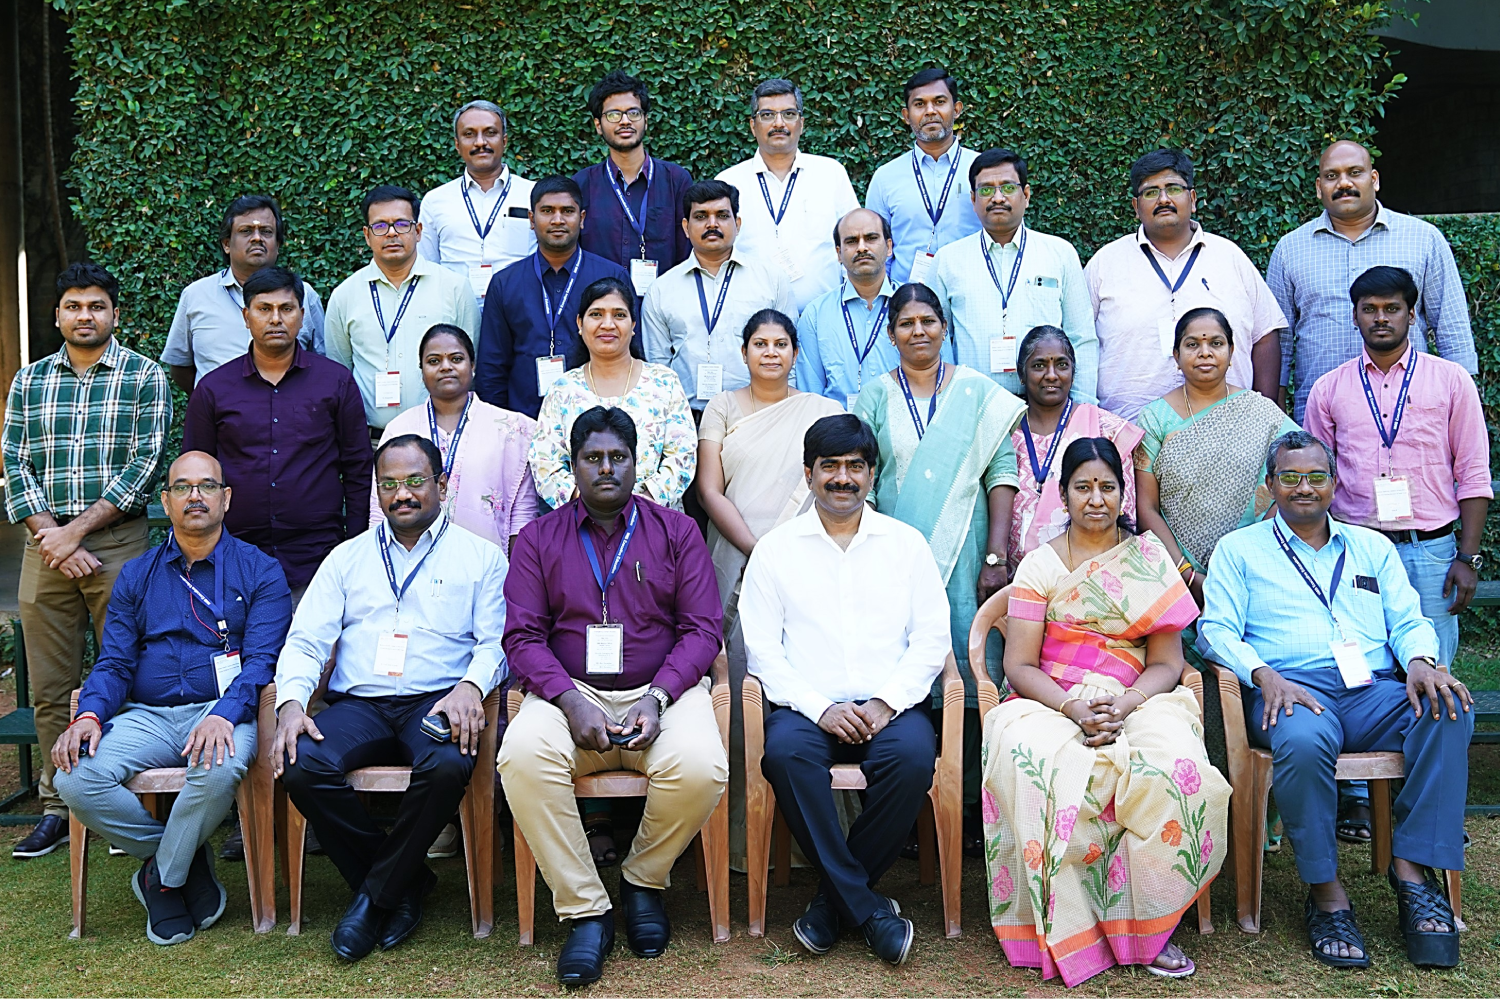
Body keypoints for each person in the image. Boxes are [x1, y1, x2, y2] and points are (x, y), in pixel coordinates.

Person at [1200, 431, 1472, 970]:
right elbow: (1215, 630)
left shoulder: (1372, 547)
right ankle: (1326, 893)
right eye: (1290, 477)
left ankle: (1412, 870)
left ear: (1335, 482)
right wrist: (1262, 674)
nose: (1304, 488)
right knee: (1302, 743)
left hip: (1372, 690)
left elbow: (1408, 620)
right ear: (1270, 485)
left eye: (1316, 476)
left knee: (1448, 710)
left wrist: (1421, 660)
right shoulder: (1239, 550)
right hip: (1292, 691)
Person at [982, 436, 1228, 985]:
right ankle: (1076, 926)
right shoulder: (1040, 564)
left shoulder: (1149, 561)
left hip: (1139, 697)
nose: (1096, 499)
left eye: (1107, 487)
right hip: (1052, 699)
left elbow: (1167, 662)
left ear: (1123, 494)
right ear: (1063, 494)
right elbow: (1019, 665)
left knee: (1180, 773)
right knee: (1038, 762)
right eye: (1083, 487)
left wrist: (1127, 703)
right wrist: (1073, 707)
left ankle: (1148, 926)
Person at [499, 406, 727, 987]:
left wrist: (660, 695)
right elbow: (522, 637)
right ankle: (586, 910)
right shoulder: (538, 539)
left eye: (617, 457)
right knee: (521, 757)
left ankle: (642, 880)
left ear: (636, 463)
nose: (606, 468)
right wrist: (567, 699)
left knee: (701, 765)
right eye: (593, 458)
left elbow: (703, 629)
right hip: (570, 694)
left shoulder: (677, 531)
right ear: (572, 465)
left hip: (663, 690)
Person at [271, 435, 508, 962]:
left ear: (441, 485)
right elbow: (306, 640)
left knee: (448, 763)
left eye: (415, 481)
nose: (402, 494)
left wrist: (471, 687)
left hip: (438, 701)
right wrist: (290, 704)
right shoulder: (347, 558)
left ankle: (374, 899)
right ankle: (404, 881)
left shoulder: (481, 558)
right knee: (301, 762)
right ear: (376, 492)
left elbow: (495, 643)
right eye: (390, 484)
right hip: (362, 705)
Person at [50, 452, 291, 945]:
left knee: (219, 767)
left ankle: (160, 879)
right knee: (74, 778)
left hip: (222, 711)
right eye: (183, 487)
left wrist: (225, 714)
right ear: (166, 501)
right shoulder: (137, 574)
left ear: (226, 498)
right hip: (147, 716)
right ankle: (181, 860)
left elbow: (262, 664)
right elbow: (114, 662)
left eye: (207, 486)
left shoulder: (261, 571)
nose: (195, 496)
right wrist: (89, 714)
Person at [740, 413, 950, 966]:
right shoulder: (776, 550)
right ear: (808, 473)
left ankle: (831, 906)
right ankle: (869, 910)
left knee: (912, 760)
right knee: (784, 755)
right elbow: (763, 651)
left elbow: (932, 639)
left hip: (890, 707)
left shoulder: (906, 545)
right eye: (829, 466)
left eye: (855, 466)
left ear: (872, 474)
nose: (842, 478)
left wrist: (884, 703)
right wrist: (821, 708)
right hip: (806, 709)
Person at [1302, 265, 1491, 844]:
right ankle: (1360, 800)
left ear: (1413, 314)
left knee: (1432, 669)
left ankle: (1427, 801)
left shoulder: (1450, 381)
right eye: (1370, 309)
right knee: (1361, 662)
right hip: (1354, 547)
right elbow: (1314, 476)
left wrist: (1467, 556)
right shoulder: (1330, 389)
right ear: (1355, 315)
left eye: (1392, 308)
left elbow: (1473, 472)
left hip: (1430, 548)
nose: (1380, 318)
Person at [4, 263, 171, 859]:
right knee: (52, 686)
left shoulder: (144, 376)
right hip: (44, 547)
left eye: (96, 306)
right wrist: (53, 537)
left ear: (115, 314)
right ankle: (58, 805)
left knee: (130, 672)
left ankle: (122, 795)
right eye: (73, 306)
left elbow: (146, 464)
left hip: (118, 545)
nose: (85, 315)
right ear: (57, 316)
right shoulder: (29, 380)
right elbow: (14, 462)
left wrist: (72, 535)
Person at [852, 283, 1023, 841]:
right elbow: (863, 480)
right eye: (906, 323)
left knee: (971, 675)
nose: (918, 331)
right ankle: (906, 812)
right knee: (902, 676)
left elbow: (1001, 474)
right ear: (891, 333)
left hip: (968, 558)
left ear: (944, 328)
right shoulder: (874, 395)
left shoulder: (977, 392)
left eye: (928, 320)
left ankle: (971, 809)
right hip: (894, 559)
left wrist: (996, 554)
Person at [696, 311, 842, 868]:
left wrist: (783, 553)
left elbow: (831, 484)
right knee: (736, 683)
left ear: (796, 353)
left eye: (781, 343)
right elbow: (710, 490)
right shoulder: (722, 407)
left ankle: (811, 839)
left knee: (805, 674)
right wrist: (757, 549)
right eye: (760, 343)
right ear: (744, 352)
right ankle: (736, 836)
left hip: (806, 560)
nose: (771, 352)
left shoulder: (820, 411)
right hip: (734, 556)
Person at [184, 266, 373, 601]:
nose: (275, 319)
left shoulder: (335, 382)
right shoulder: (214, 389)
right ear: (246, 317)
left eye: (286, 309)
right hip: (235, 560)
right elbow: (195, 477)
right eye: (264, 309)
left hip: (318, 561)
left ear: (301, 316)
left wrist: (356, 546)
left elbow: (358, 468)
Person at [1267, 140, 1476, 424]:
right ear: (1319, 187)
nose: (1344, 183)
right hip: (1322, 418)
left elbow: (1452, 328)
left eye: (1355, 172)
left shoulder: (1423, 239)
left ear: (1374, 179)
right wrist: (1275, 409)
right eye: (1332, 176)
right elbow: (1279, 340)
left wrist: (1465, 409)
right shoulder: (1290, 250)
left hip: (1411, 414)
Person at [1084, 149, 1286, 420]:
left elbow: (1265, 335)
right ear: (1135, 207)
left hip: (1230, 428)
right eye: (1151, 192)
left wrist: (1262, 416)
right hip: (1127, 431)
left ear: (1192, 199)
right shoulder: (1105, 263)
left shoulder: (1230, 257)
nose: (1163, 199)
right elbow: (1079, 342)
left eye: (1173, 188)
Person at [1134, 308, 1299, 601]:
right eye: (1192, 344)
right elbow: (1146, 506)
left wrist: (1261, 550)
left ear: (1232, 352)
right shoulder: (1154, 419)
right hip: (1175, 578)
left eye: (1216, 343)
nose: (1205, 352)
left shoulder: (1260, 412)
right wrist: (1186, 574)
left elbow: (1296, 477)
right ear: (1176, 356)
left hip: (1257, 569)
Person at [930, 148, 1098, 402]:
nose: (997, 198)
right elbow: (937, 338)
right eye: (986, 190)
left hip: (1047, 405)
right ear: (973, 200)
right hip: (973, 404)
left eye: (1008, 188)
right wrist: (947, 399)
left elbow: (1081, 337)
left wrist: (1081, 405)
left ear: (1026, 195)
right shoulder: (948, 260)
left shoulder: (1060, 254)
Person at [324, 185, 481, 437]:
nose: (391, 233)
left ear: (418, 231)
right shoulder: (344, 296)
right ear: (367, 235)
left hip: (441, 438)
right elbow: (339, 371)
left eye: (401, 224)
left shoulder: (455, 288)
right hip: (371, 441)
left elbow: (471, 367)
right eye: (380, 226)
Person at [532, 277, 696, 511]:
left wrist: (640, 508)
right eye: (596, 314)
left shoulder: (664, 383)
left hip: (654, 517)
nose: (608, 324)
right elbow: (545, 462)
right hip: (581, 520)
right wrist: (592, 509)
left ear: (633, 325)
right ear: (580, 323)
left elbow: (682, 456)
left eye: (619, 315)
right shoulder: (563, 389)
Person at [474, 175, 631, 419]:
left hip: (598, 421)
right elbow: (492, 367)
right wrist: (500, 425)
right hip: (523, 419)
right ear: (531, 219)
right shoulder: (505, 283)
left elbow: (630, 354)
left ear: (582, 219)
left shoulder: (612, 277)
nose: (558, 220)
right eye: (547, 211)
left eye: (567, 211)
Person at [371, 323, 537, 552]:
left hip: (489, 563)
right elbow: (379, 508)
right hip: (410, 562)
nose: (446, 367)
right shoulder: (399, 429)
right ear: (422, 371)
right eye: (434, 361)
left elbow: (523, 515)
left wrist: (516, 568)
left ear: (473, 365)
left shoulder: (514, 429)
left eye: (456, 359)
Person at [642, 179, 795, 408]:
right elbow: (658, 370)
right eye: (701, 216)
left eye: (722, 215)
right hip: (688, 417)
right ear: (685, 227)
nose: (712, 224)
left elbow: (790, 359)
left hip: (759, 414)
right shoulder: (661, 290)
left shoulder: (771, 280)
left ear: (738, 224)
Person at [1008, 325, 1143, 574]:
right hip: (1014, 578)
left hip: (1092, 576)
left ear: (1073, 371)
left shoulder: (1106, 429)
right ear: (1021, 374)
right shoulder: (1004, 431)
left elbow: (1125, 512)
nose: (1051, 375)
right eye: (1039, 365)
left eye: (1061, 365)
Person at [716, 79, 859, 311]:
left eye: (789, 114)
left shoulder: (831, 173)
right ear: (753, 125)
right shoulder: (728, 182)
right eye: (767, 115)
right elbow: (715, 254)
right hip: (750, 319)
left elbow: (854, 241)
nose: (779, 123)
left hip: (825, 317)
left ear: (801, 123)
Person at [161, 195, 327, 392]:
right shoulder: (196, 295)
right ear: (226, 244)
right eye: (246, 231)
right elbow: (180, 367)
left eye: (266, 231)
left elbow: (322, 365)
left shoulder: (305, 295)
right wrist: (215, 400)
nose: (257, 238)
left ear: (278, 245)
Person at [573, 70, 695, 292]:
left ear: (646, 121)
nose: (625, 121)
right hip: (601, 306)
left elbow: (688, 251)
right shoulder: (581, 185)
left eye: (633, 113)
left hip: (663, 303)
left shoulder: (676, 181)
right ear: (598, 125)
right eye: (613, 115)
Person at [864, 66, 980, 285]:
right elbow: (877, 251)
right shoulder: (885, 178)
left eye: (939, 102)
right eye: (919, 104)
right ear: (906, 116)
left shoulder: (982, 170)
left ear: (957, 109)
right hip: (907, 299)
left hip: (971, 293)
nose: (930, 111)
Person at [417, 100, 536, 307]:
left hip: (519, 311)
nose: (480, 142)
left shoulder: (534, 195)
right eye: (469, 134)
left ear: (504, 140)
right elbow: (426, 266)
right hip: (454, 312)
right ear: (457, 145)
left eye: (490, 133)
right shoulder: (435, 201)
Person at [793, 208, 900, 409]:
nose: (862, 248)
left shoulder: (916, 308)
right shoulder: (815, 315)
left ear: (889, 247)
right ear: (838, 253)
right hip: (838, 427)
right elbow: (810, 398)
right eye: (851, 241)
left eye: (871, 238)